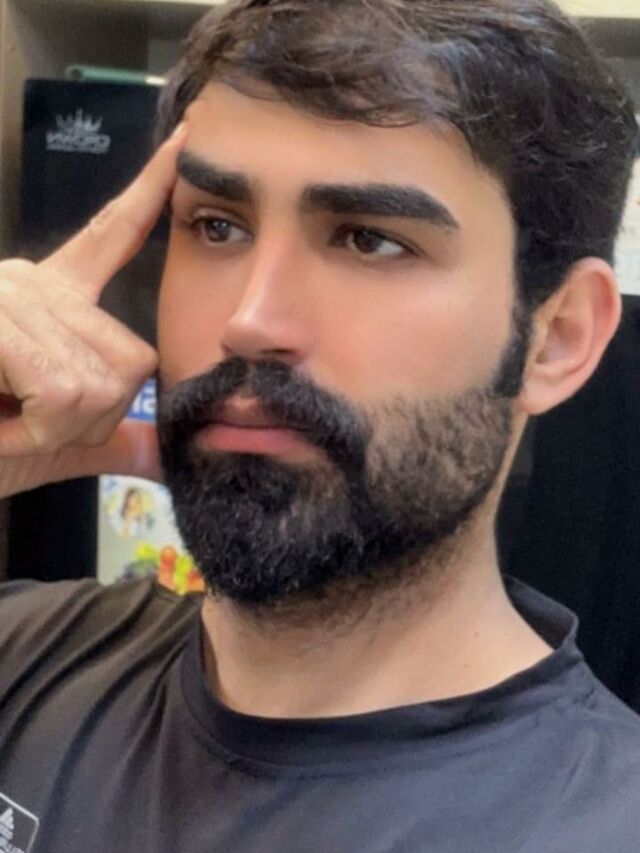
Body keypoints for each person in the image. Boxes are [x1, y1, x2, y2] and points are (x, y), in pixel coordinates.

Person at [0, 1, 639, 850]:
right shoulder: (26, 657)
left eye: (370, 239)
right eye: (217, 225)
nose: (249, 321)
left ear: (557, 338)